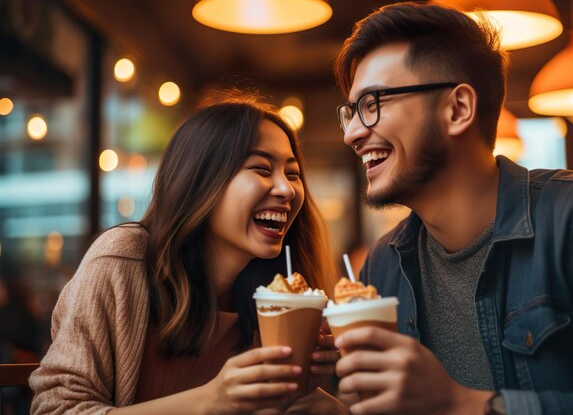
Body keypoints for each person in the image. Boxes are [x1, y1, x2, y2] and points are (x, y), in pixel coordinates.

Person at [332, 2, 573, 415]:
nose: (353, 134)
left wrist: (466, 405)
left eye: (372, 104)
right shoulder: (382, 266)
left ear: (458, 109)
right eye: (350, 113)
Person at [30, 89, 346, 415]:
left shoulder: (273, 295)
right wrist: (211, 400)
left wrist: (298, 392)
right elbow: (54, 409)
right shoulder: (123, 258)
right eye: (262, 169)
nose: (286, 189)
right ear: (202, 180)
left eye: (292, 174)